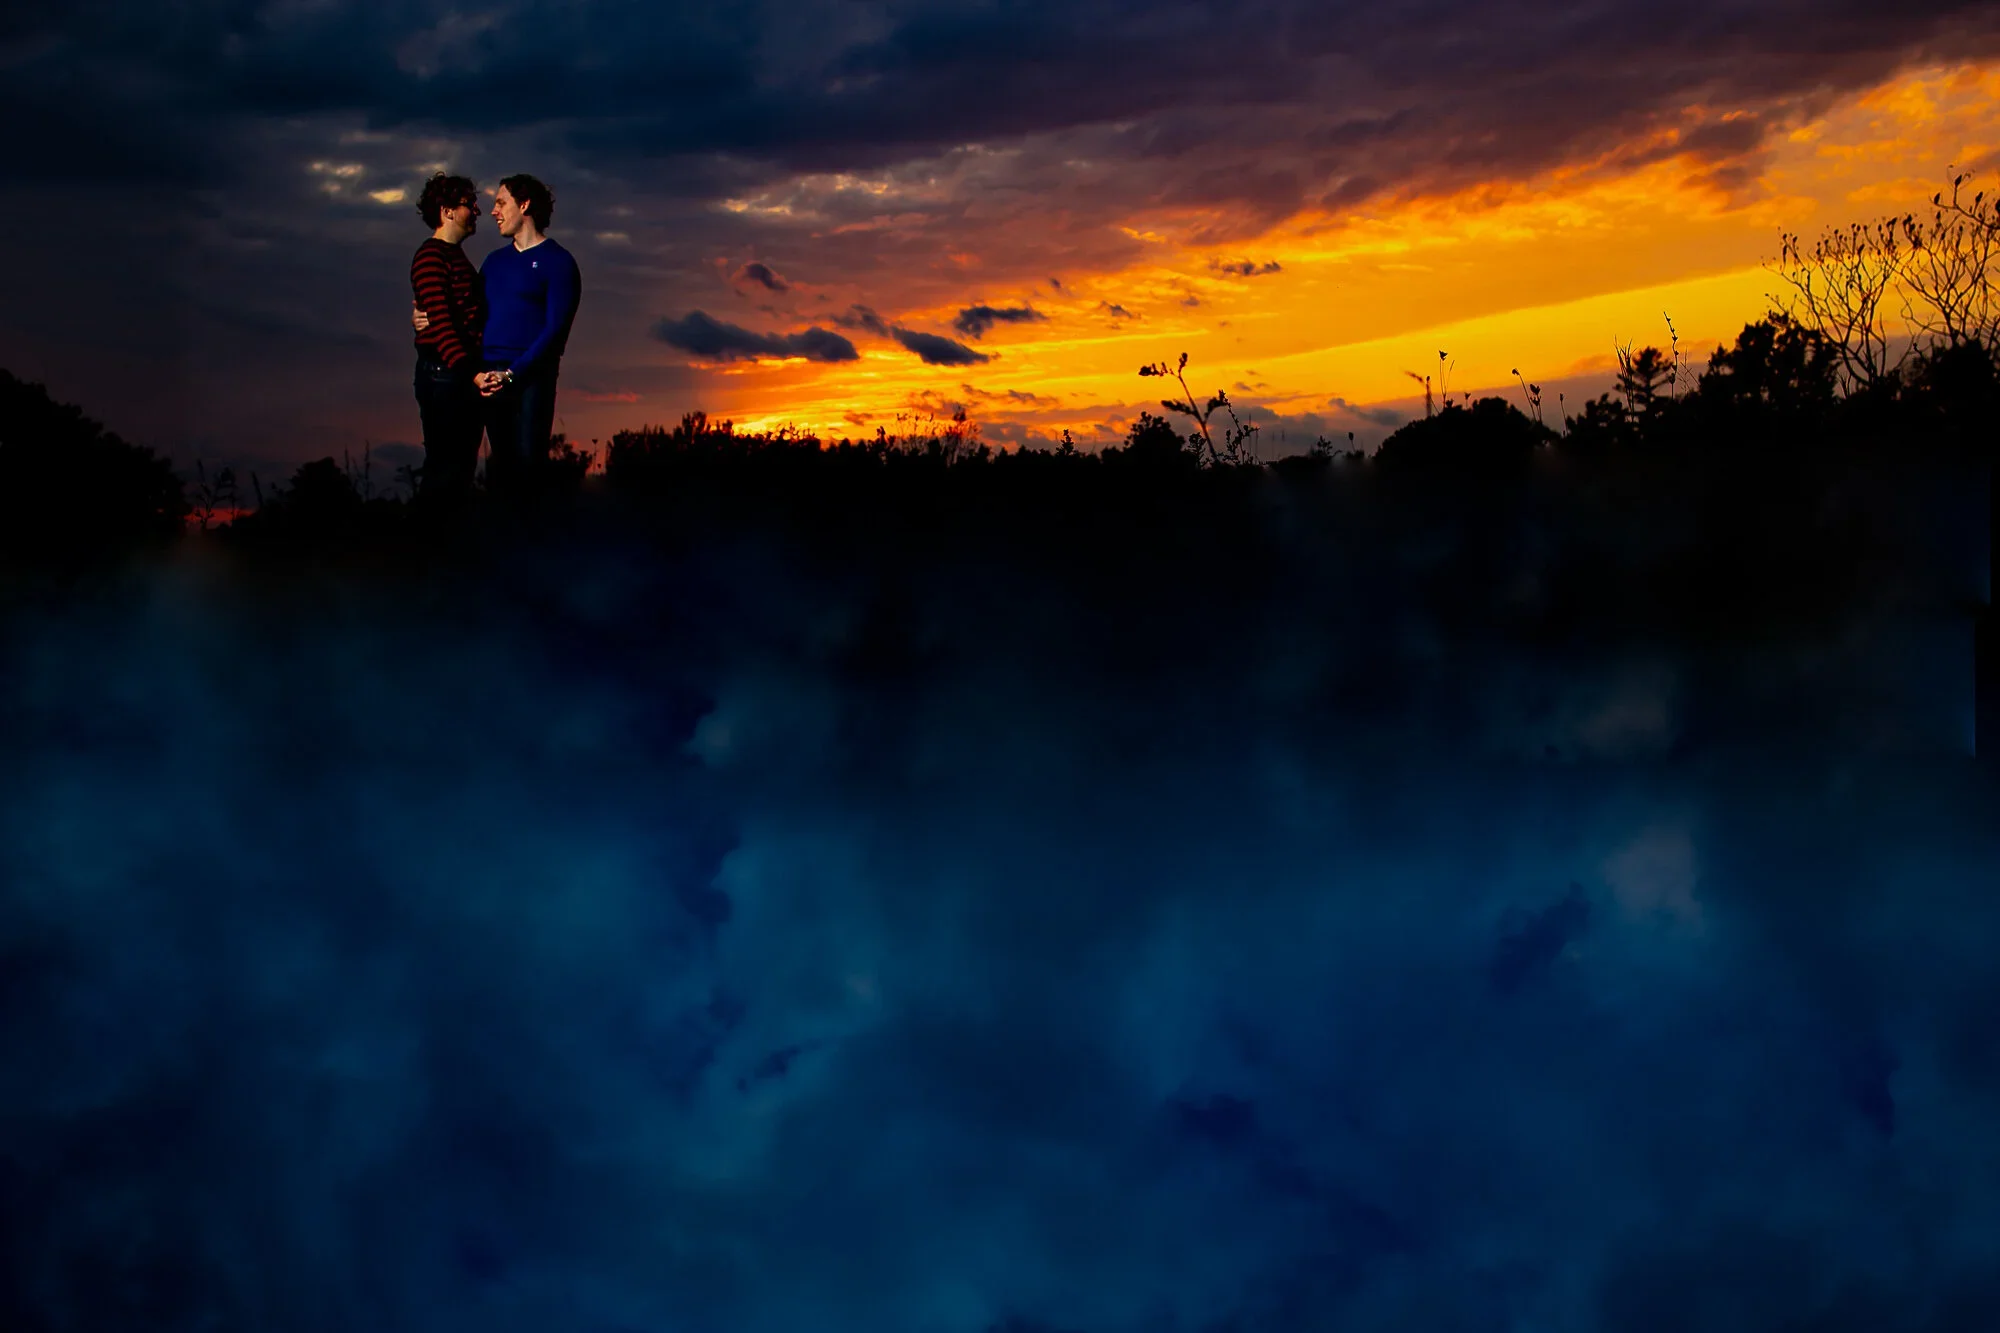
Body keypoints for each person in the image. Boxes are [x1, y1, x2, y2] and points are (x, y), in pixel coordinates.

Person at [472, 174, 581, 494]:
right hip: (490, 378)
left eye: (501, 202)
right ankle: (500, 540)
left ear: (525, 204)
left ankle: (533, 539)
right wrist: (422, 316)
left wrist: (512, 374)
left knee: (528, 469)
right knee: (500, 470)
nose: (493, 211)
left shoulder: (558, 262)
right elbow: (472, 314)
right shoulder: (493, 263)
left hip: (531, 379)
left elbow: (555, 331)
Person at [409, 173, 487, 503]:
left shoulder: (456, 256)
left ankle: (448, 547)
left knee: (460, 472)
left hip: (457, 375)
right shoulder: (431, 257)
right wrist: (472, 373)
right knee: (445, 472)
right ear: (447, 210)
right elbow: (442, 326)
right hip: (445, 376)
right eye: (469, 204)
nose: (477, 212)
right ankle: (430, 549)